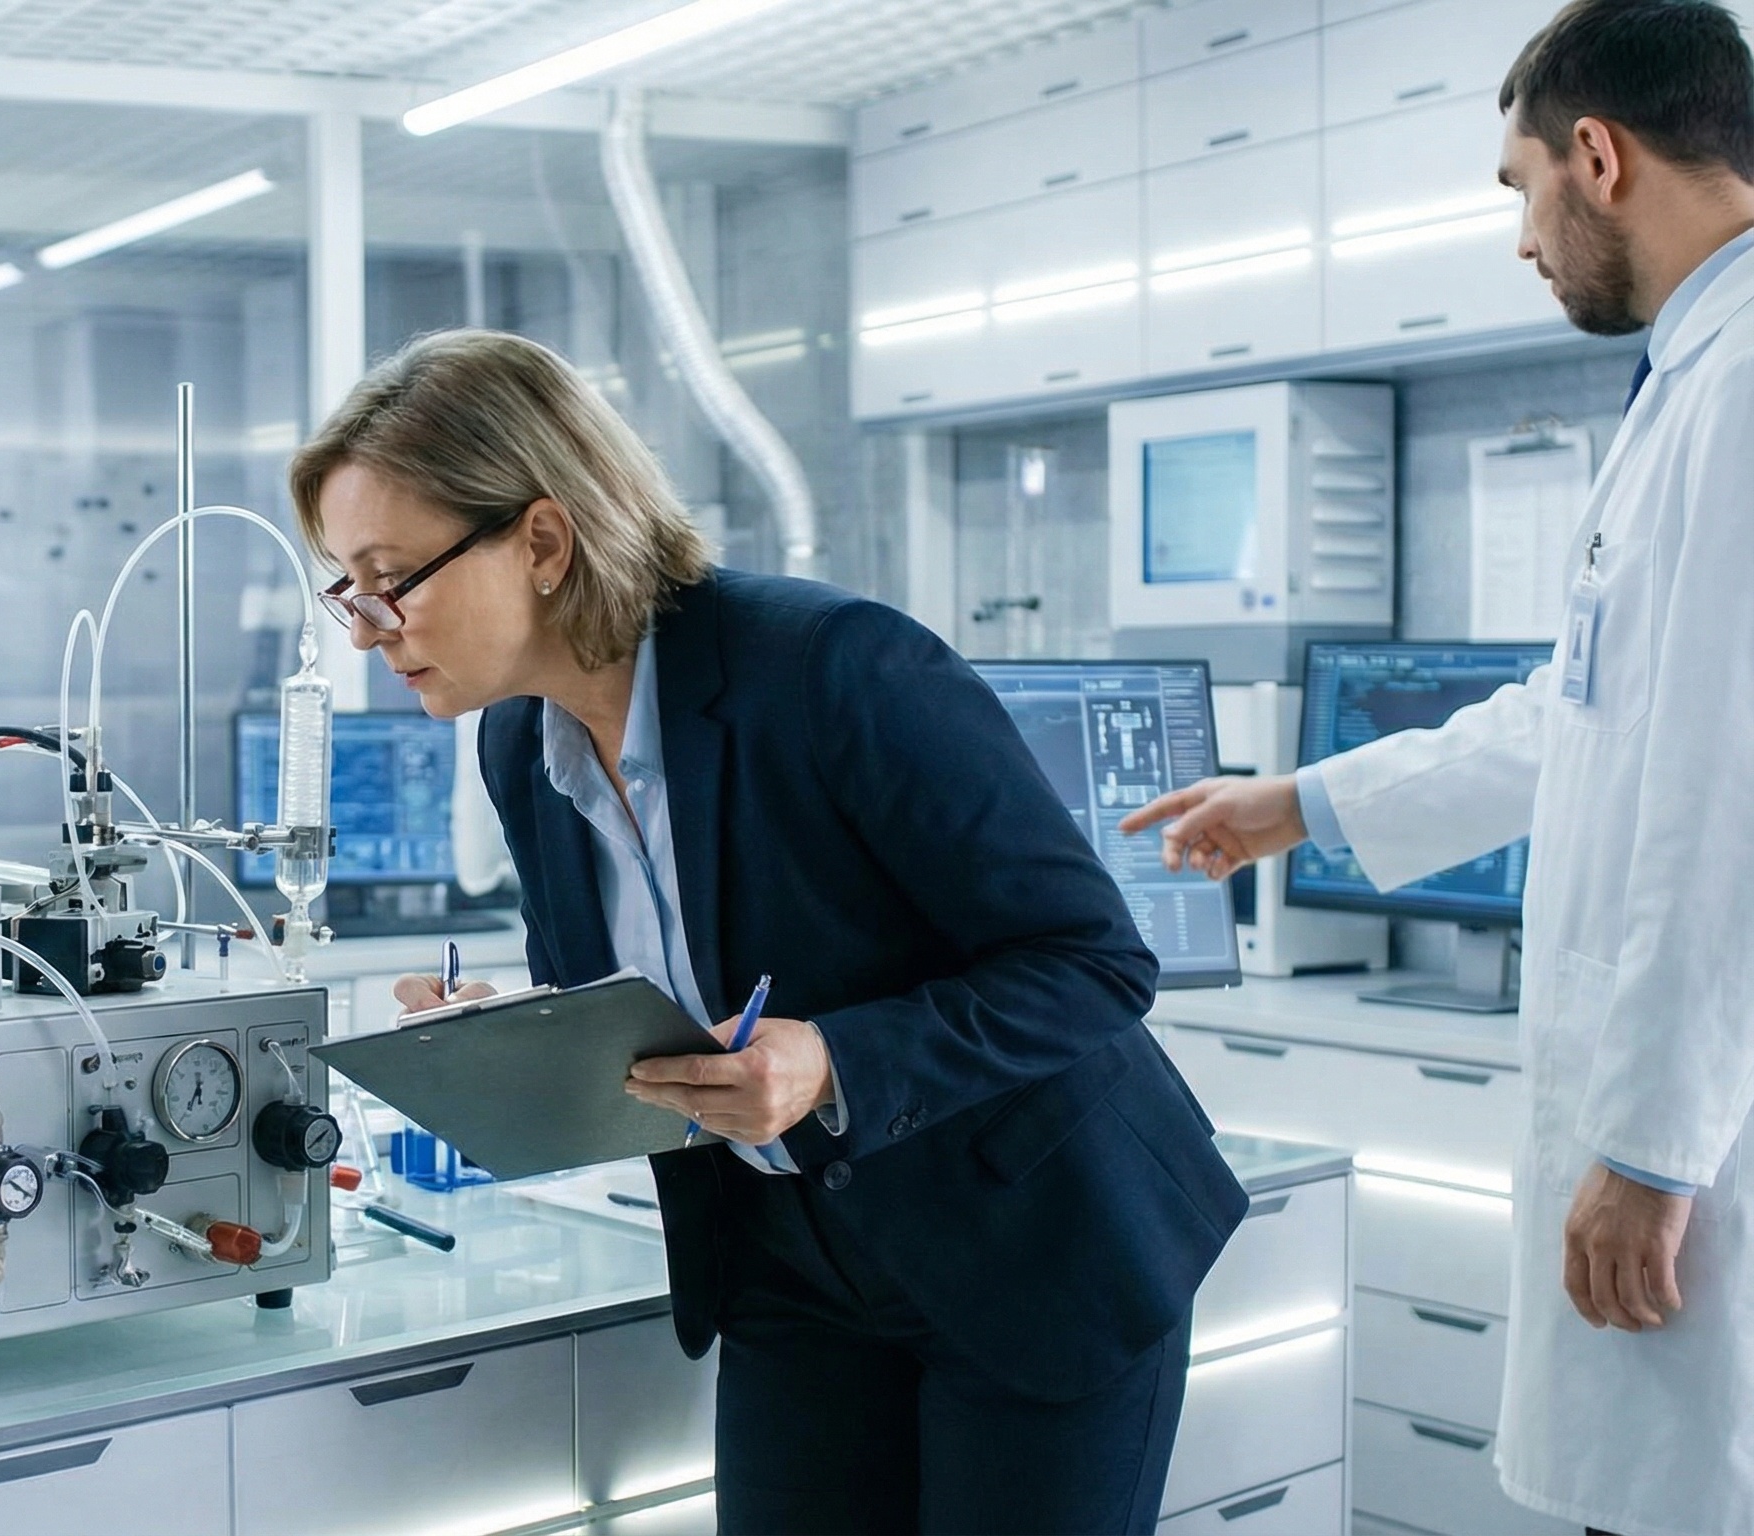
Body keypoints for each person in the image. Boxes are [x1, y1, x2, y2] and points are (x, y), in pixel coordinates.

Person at [292, 329, 1246, 1535]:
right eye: (345, 585)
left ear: (540, 540)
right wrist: (515, 1041)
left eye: (390, 578)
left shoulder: (831, 667)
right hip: (790, 1263)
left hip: (1028, 1249)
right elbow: (645, 1010)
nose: (367, 627)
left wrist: (831, 1059)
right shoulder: (517, 747)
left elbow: (1092, 961)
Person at [1121, 5, 1754, 1533]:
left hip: (1697, 1138)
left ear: (1595, 158)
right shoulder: (1696, 382)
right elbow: (1586, 714)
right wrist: (1308, 802)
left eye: (1518, 185)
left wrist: (1648, 1147)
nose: (1525, 239)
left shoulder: (1739, 394)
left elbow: (1725, 795)